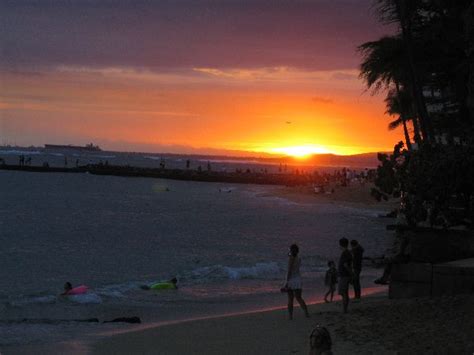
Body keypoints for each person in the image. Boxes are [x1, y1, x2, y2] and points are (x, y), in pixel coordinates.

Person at [284, 244, 310, 320]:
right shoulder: (298, 259)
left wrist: (287, 281)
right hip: (298, 279)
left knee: (290, 299)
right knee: (299, 298)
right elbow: (291, 255)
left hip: (292, 279)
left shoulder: (291, 259)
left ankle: (290, 316)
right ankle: (306, 313)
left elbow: (289, 270)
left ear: (291, 250)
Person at [338, 238, 352, 313]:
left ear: (341, 244)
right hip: (344, 275)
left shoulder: (345, 253)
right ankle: (345, 309)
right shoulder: (347, 252)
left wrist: (351, 274)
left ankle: (345, 309)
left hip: (344, 275)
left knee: (343, 292)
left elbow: (346, 265)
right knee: (344, 292)